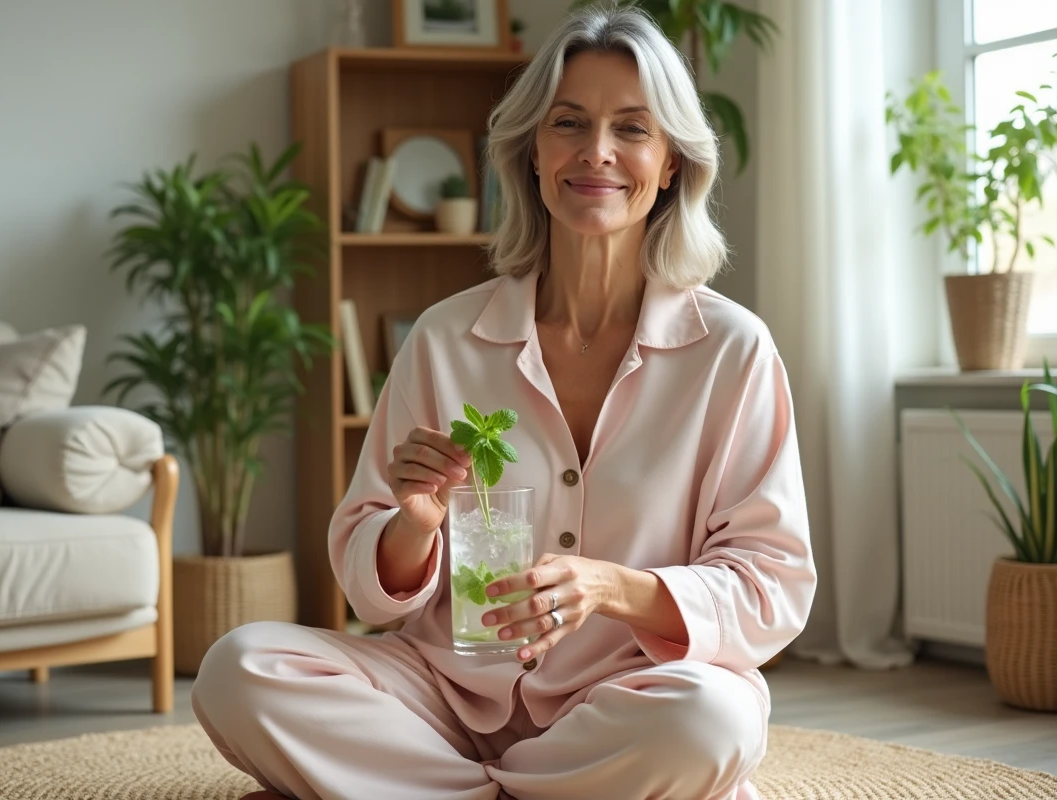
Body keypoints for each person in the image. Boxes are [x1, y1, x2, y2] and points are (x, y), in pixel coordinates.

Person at [191, 5, 816, 799]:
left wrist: (608, 587)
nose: (596, 151)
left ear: (670, 164)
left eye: (631, 128)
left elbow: (772, 583)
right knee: (240, 669)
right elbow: (366, 581)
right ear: (531, 152)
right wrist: (413, 526)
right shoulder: (444, 338)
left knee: (710, 722)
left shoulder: (733, 350)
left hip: (626, 696)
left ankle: (418, 790)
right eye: (569, 123)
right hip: (441, 696)